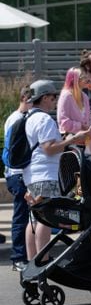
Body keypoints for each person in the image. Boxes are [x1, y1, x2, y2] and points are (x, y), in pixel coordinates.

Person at [22, 80, 89, 260]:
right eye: (53, 97)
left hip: (31, 174)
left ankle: (32, 260)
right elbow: (49, 148)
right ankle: (43, 260)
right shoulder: (43, 119)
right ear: (44, 98)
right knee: (45, 217)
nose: (54, 101)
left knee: (35, 217)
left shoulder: (28, 118)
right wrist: (72, 139)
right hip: (46, 174)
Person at [3, 86, 32, 271]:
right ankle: (18, 258)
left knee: (32, 217)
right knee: (21, 217)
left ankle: (30, 255)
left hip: (24, 174)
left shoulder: (28, 118)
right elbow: (14, 153)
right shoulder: (16, 119)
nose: (32, 104)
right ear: (22, 98)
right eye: (30, 100)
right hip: (18, 175)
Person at [57, 67, 91, 141]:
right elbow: (63, 121)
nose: (87, 79)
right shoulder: (66, 96)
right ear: (74, 80)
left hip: (85, 140)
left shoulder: (85, 96)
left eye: (86, 76)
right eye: (83, 77)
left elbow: (88, 119)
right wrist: (80, 126)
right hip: (71, 142)